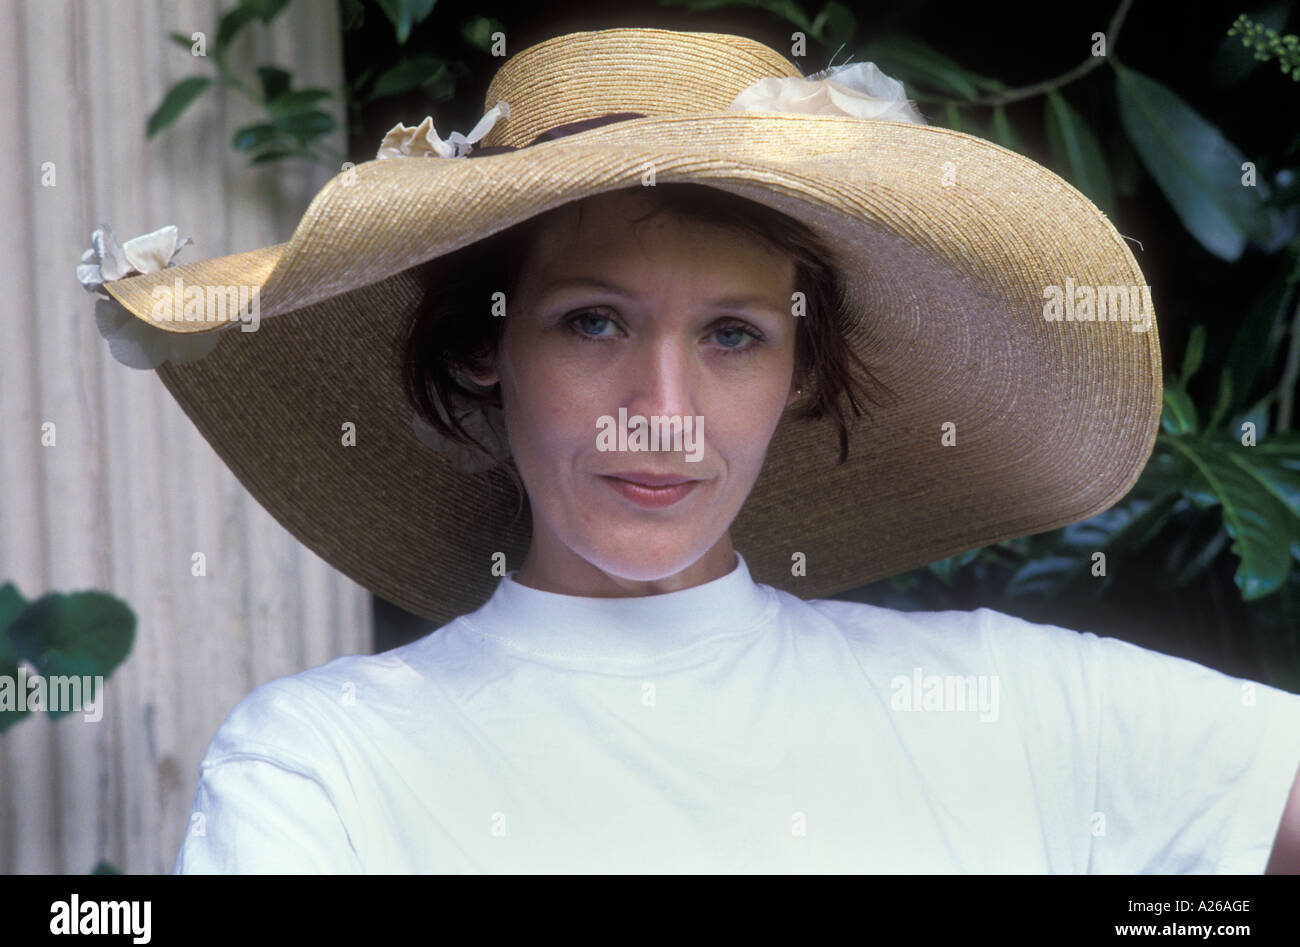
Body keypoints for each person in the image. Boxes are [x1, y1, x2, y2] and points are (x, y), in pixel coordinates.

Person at [82, 27, 1300, 873]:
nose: (661, 407)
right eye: (594, 321)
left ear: (800, 371)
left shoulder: (1017, 710)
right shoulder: (325, 763)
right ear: (482, 350)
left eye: (732, 334)